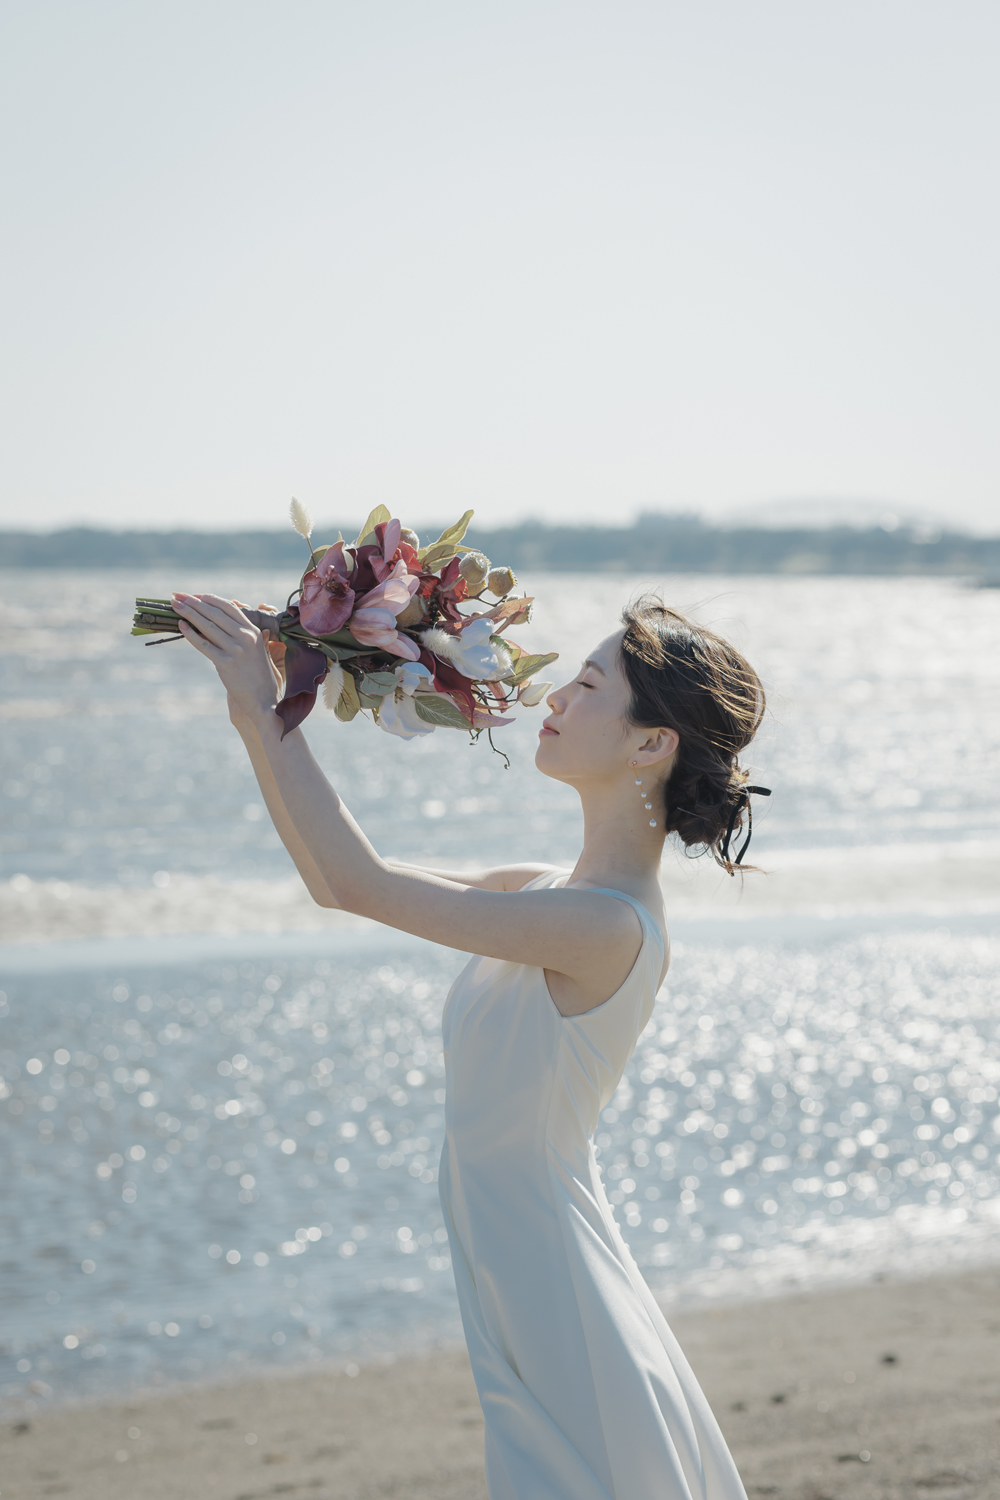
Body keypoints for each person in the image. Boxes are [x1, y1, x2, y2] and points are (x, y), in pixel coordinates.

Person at [172, 588, 765, 1500]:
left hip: (549, 1274)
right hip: (515, 1258)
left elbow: (356, 880)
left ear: (653, 744)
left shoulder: (603, 927)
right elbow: (340, 880)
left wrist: (263, 702)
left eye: (588, 686)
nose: (555, 699)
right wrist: (279, 683)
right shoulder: (542, 891)